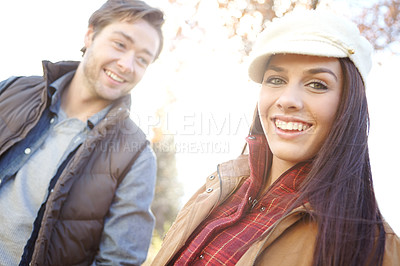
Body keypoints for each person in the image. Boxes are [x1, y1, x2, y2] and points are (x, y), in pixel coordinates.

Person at [152, 9, 400, 266]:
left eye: (317, 84)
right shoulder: (218, 186)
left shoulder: (375, 247)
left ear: (349, 104)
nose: (287, 100)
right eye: (276, 79)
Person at [0, 0, 164, 265]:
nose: (126, 64)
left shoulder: (136, 157)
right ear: (90, 35)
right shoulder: (12, 90)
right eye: (120, 44)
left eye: (143, 59)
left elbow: (119, 260)